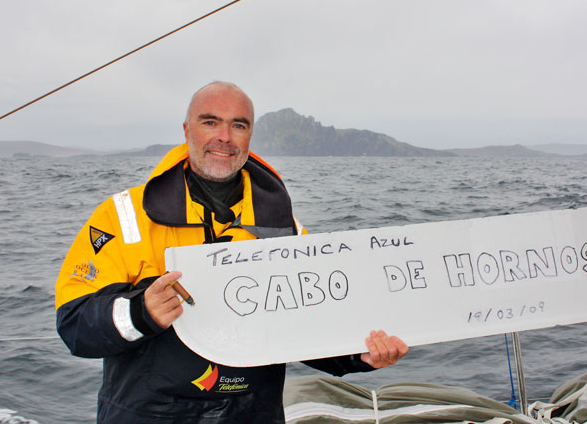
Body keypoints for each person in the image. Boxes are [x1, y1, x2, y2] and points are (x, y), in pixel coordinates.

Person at [55, 81, 408, 423]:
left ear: (250, 136)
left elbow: (305, 327)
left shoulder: (286, 226)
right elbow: (74, 325)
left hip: (255, 414)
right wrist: (139, 311)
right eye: (210, 122)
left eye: (238, 125)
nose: (224, 137)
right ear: (186, 129)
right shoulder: (123, 216)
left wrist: (356, 355)